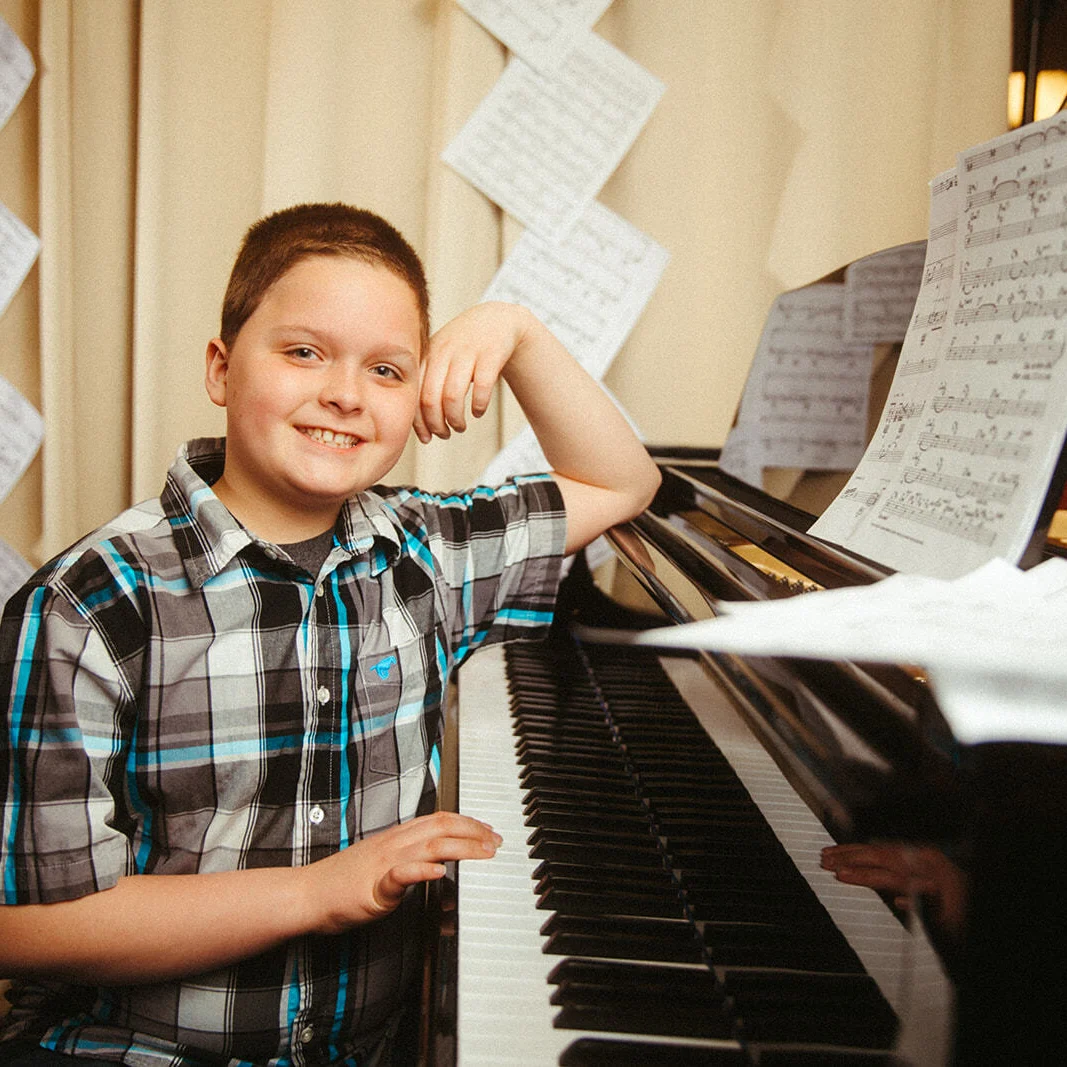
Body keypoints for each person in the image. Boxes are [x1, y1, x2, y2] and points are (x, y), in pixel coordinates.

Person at [0, 202, 661, 1065]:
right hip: (131, 1046)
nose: (345, 394)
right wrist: (319, 892)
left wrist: (518, 330)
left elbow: (623, 481)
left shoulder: (428, 552)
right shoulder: (92, 603)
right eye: (304, 351)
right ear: (221, 367)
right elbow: (22, 926)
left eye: (387, 370)